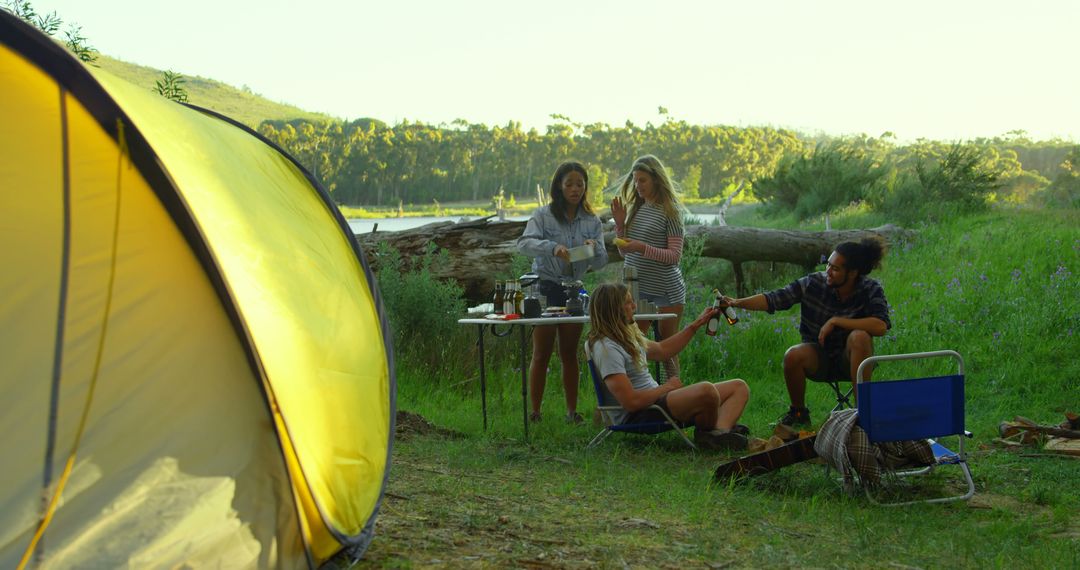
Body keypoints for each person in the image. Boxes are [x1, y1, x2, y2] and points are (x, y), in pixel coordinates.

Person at [718, 237, 891, 428]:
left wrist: (836, 321)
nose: (828, 272)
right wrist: (737, 303)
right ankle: (798, 413)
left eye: (835, 269)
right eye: (828, 265)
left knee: (860, 336)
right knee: (793, 355)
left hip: (852, 359)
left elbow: (881, 326)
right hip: (818, 356)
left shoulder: (870, 289)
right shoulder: (813, 283)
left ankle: (863, 414)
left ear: (852, 273)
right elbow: (775, 299)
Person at [586, 282, 750, 451]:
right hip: (640, 414)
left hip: (657, 402)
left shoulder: (626, 336)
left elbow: (663, 350)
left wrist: (696, 324)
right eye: (628, 303)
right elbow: (631, 403)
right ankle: (715, 432)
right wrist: (667, 388)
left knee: (739, 387)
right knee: (707, 391)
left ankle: (718, 434)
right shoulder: (606, 348)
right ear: (613, 310)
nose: (634, 306)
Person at [517, 161, 608, 424]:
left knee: (569, 352)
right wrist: (551, 247)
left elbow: (601, 262)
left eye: (580, 184)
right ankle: (535, 413)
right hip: (545, 288)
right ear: (559, 185)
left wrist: (594, 249)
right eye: (569, 183)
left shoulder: (591, 221)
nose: (575, 189)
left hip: (574, 291)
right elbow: (524, 244)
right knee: (541, 352)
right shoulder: (543, 215)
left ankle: (571, 412)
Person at [610, 155, 687, 378]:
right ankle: (640, 393)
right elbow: (625, 251)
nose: (637, 185)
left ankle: (673, 394)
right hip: (637, 290)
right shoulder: (636, 209)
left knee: (667, 348)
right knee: (634, 343)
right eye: (635, 180)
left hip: (666, 290)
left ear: (656, 179)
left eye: (642, 180)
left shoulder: (670, 211)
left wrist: (642, 247)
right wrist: (620, 225)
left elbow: (674, 256)